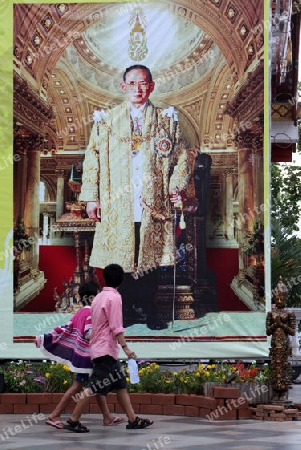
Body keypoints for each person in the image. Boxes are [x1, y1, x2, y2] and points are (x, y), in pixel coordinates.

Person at [79, 64, 190, 328]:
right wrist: (91, 198)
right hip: (117, 201)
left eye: (142, 84)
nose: (137, 89)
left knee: (149, 257)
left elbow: (182, 159)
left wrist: (175, 186)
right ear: (123, 86)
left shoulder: (166, 120)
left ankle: (148, 307)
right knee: (119, 259)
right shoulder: (107, 121)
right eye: (131, 83)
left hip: (153, 203)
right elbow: (91, 159)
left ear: (151, 86)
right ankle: (123, 309)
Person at [63, 264, 154, 432]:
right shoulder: (114, 298)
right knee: (92, 387)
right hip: (105, 351)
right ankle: (73, 420)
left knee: (120, 386)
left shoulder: (98, 297)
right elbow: (116, 326)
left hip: (102, 350)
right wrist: (126, 348)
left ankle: (133, 419)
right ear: (121, 279)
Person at [36, 281, 124, 429]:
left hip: (81, 357)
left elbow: (66, 329)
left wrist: (44, 337)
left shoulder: (79, 313)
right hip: (88, 357)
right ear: (91, 298)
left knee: (95, 385)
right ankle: (55, 415)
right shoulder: (91, 313)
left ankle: (107, 416)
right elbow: (89, 333)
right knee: (80, 386)